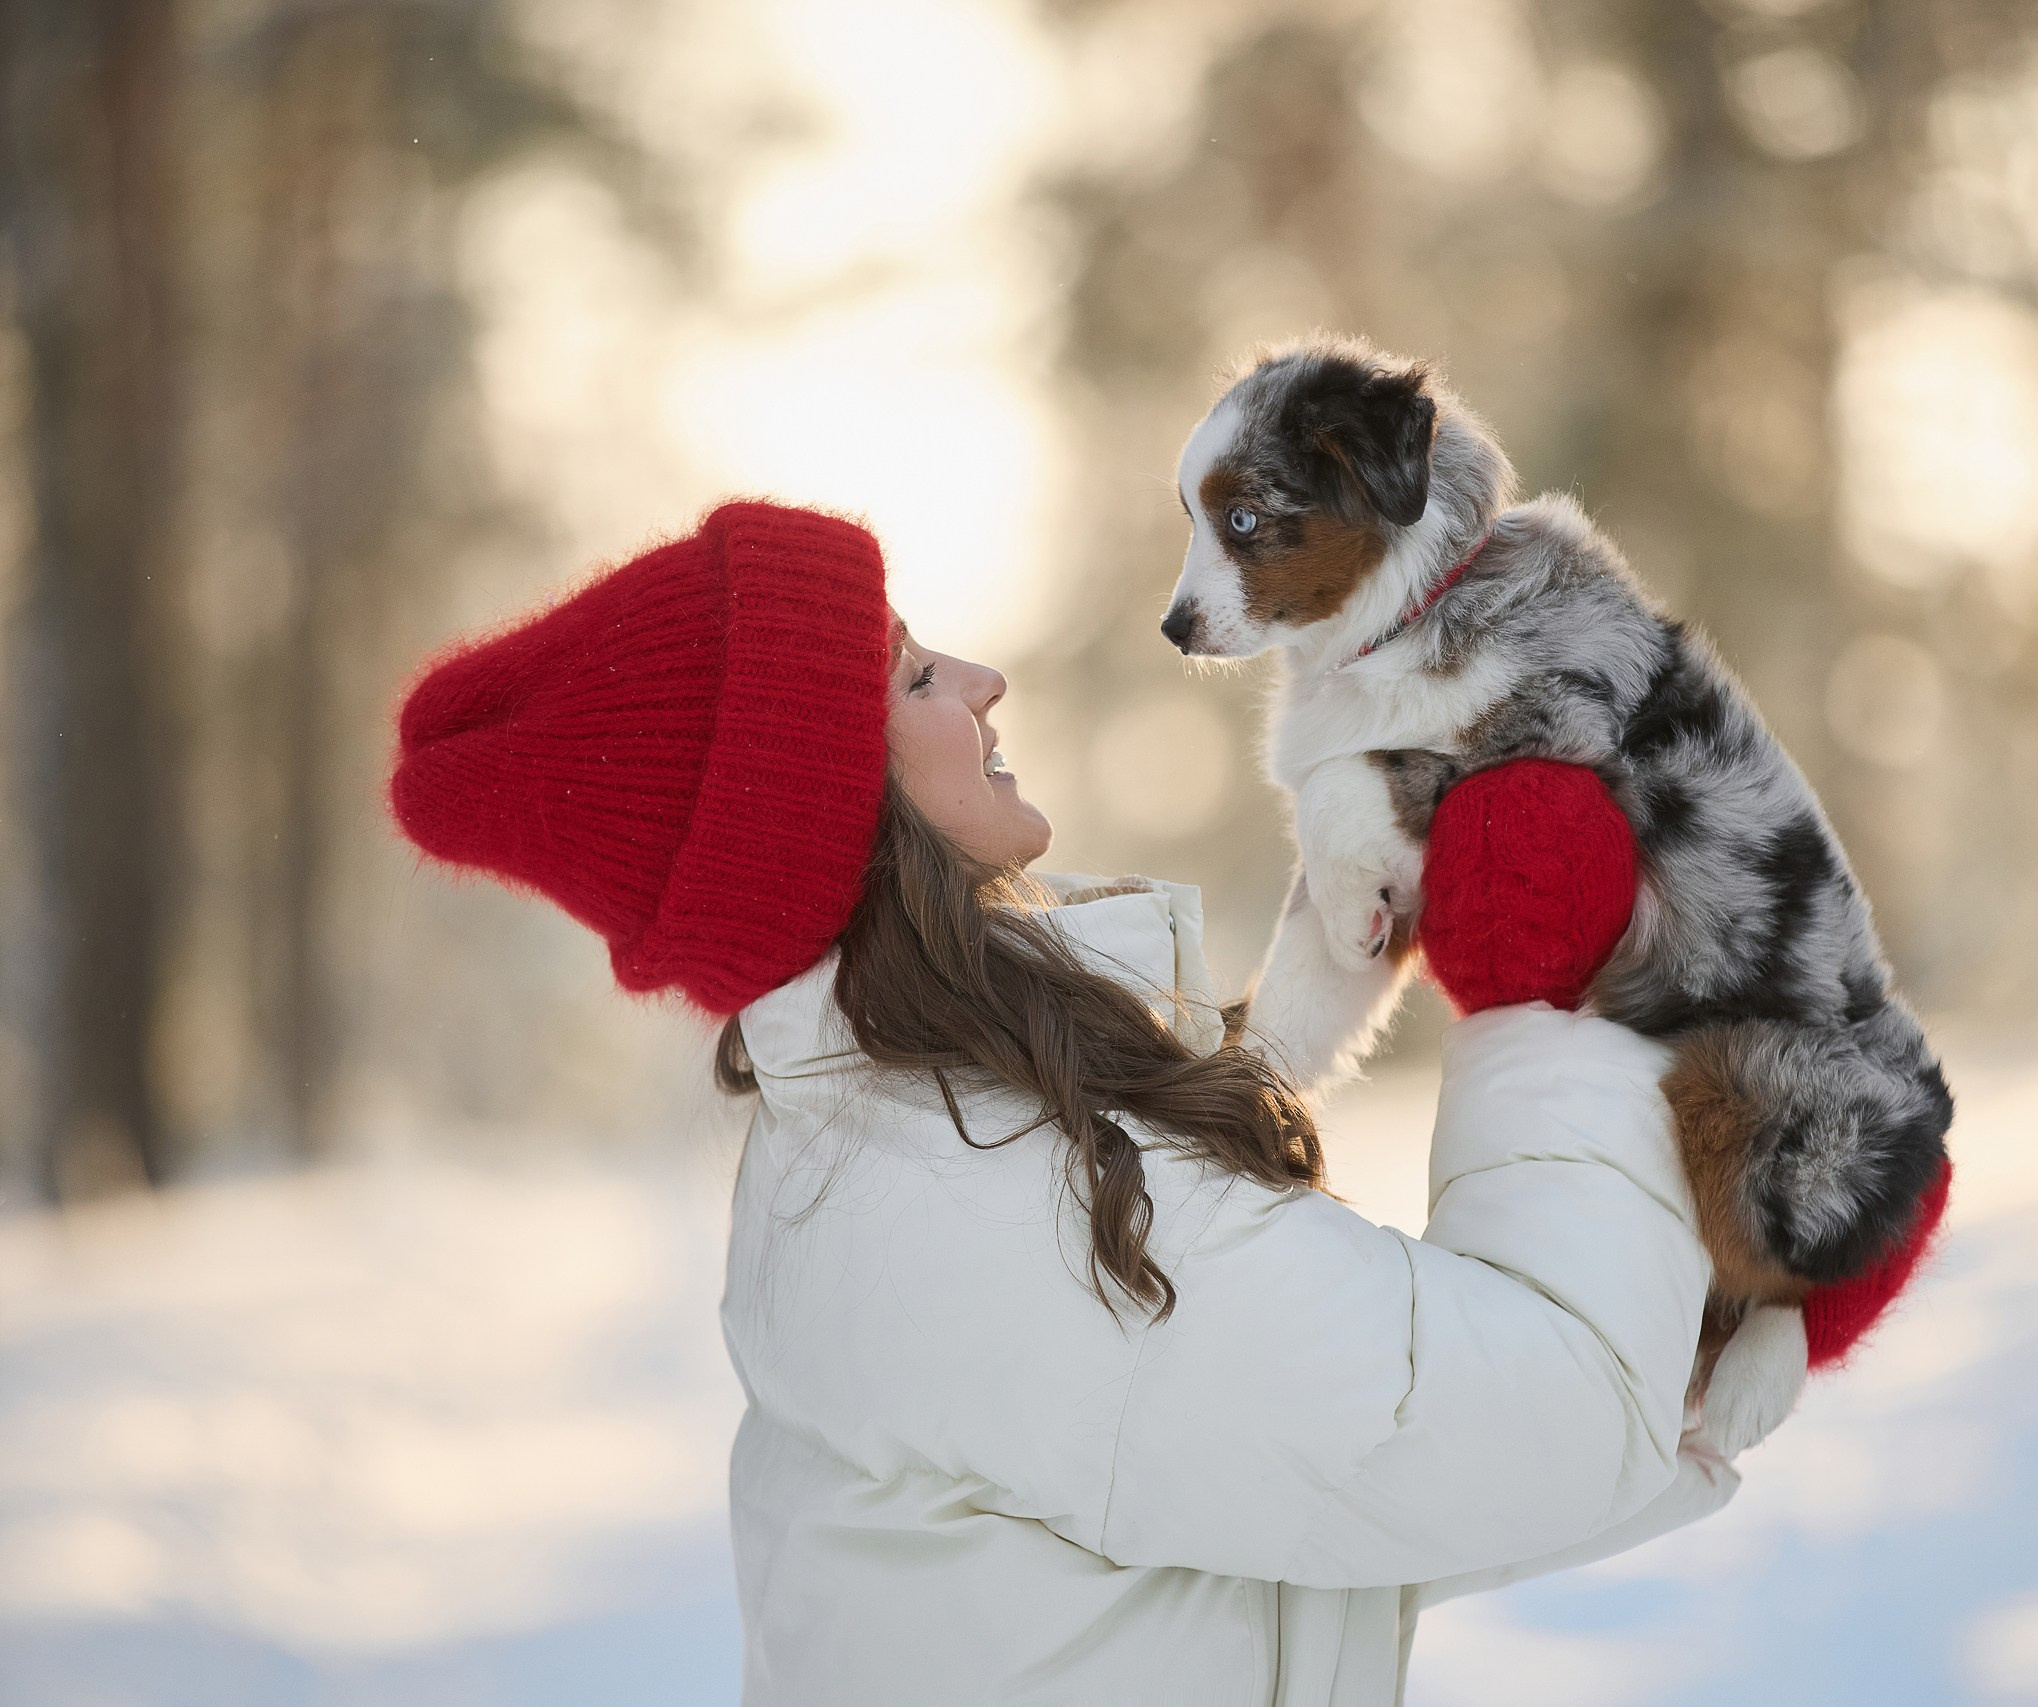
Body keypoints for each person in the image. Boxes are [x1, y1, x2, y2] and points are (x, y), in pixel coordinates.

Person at [389, 502, 1749, 1707]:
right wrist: (1553, 1014)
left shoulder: (905, 1140)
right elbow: (1525, 1427)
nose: (982, 680)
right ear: (820, 809)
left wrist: (1667, 1378)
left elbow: (1323, 1497)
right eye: (914, 674)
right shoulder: (998, 1193)